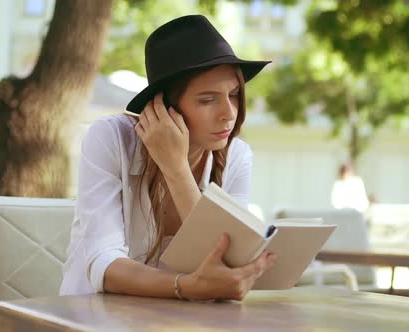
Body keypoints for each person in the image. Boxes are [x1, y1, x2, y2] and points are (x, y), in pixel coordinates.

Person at [60, 15, 277, 301]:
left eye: (234, 94)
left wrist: (178, 172)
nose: (229, 112)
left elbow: (228, 267)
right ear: (163, 107)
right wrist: (186, 287)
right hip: (90, 317)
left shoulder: (236, 157)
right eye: (208, 100)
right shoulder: (110, 139)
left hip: (174, 321)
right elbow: (105, 265)